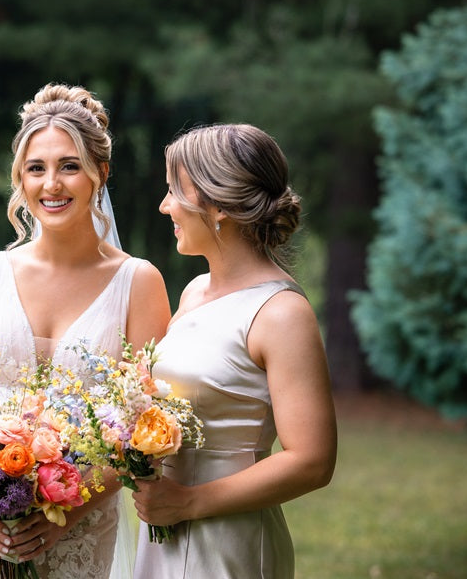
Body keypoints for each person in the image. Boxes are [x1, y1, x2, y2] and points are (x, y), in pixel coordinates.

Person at [0, 83, 172, 579]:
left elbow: (143, 427)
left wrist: (68, 512)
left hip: (78, 529)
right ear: (20, 177)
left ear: (100, 173)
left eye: (69, 166)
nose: (51, 185)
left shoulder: (139, 283)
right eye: (36, 169)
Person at [131, 123, 337, 578]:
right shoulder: (194, 292)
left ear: (218, 205)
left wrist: (189, 502)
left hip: (226, 539)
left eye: (174, 192)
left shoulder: (281, 312)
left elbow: (312, 461)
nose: (165, 206)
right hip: (163, 529)